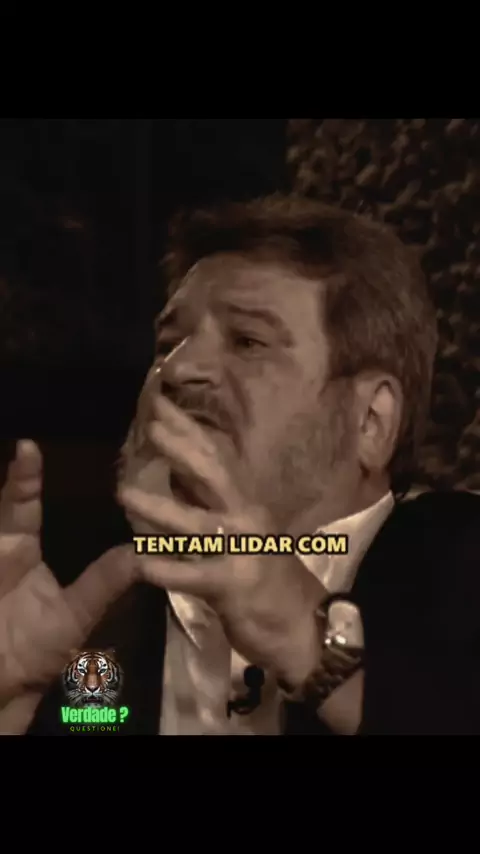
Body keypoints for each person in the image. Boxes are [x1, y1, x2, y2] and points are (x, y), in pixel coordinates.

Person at [2, 194, 479, 736]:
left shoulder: (462, 575)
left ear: (370, 421)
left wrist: (311, 645)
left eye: (248, 341)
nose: (176, 369)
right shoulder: (87, 621)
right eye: (167, 343)